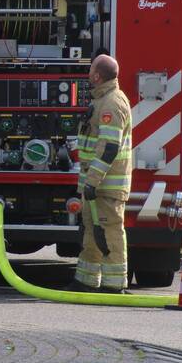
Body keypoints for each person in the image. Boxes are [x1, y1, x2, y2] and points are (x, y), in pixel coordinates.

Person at [67, 54, 133, 294]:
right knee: (91, 232)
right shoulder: (102, 100)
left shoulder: (112, 104)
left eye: (91, 69)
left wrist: (93, 181)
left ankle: (114, 285)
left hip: (106, 185)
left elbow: (109, 147)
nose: (88, 73)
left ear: (97, 75)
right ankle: (86, 280)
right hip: (96, 185)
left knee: (110, 231)